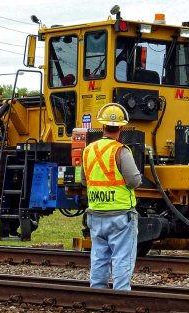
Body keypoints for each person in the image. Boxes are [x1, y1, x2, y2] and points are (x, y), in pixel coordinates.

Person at [82, 103, 142, 291]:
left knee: (99, 257)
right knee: (122, 257)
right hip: (120, 216)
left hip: (96, 214)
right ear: (121, 128)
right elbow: (133, 181)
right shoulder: (121, 151)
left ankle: (98, 294)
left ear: (102, 126)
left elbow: (85, 180)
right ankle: (121, 297)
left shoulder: (88, 150)